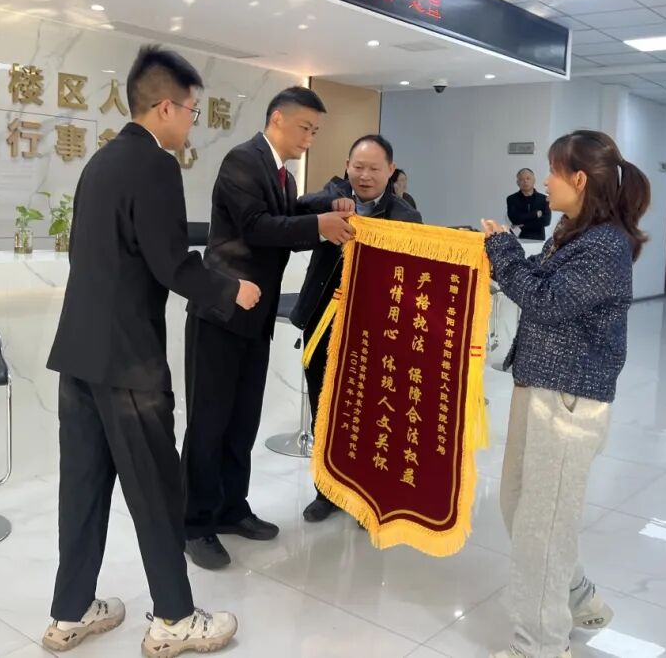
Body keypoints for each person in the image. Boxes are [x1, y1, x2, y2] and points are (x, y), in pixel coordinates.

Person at [43, 45, 258, 655]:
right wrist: (233, 291)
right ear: (165, 107)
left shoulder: (100, 161)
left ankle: (70, 612)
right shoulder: (157, 166)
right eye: (192, 111)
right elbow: (172, 264)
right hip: (129, 363)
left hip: (79, 355)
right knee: (158, 492)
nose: (192, 123)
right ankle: (174, 618)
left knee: (81, 491)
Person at [481, 130, 650, 658]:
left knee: (542, 527)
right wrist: (500, 256)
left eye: (553, 171)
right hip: (538, 386)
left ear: (578, 179)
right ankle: (578, 599)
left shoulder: (605, 246)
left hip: (568, 401)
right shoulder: (573, 231)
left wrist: (503, 251)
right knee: (518, 505)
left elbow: (547, 301)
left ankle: (540, 645)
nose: (545, 180)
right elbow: (536, 280)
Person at [182, 86, 355, 570]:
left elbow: (286, 223)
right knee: (209, 423)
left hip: (255, 317)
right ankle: (194, 524)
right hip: (220, 313)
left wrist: (325, 216)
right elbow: (257, 226)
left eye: (315, 131)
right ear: (277, 118)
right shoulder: (243, 160)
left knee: (242, 421)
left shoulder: (282, 174)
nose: (310, 138)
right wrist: (318, 225)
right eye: (305, 128)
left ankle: (231, 509)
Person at [290, 134, 421, 523]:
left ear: (390, 171)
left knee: (371, 411)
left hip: (376, 330)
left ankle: (366, 496)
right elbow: (299, 207)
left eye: (374, 168)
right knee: (324, 406)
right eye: (358, 167)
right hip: (324, 323)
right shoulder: (332, 196)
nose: (365, 176)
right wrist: (334, 201)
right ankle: (326, 491)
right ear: (347, 166)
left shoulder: (406, 216)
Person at [507, 168, 551, 241]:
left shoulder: (544, 199)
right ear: (518, 183)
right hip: (518, 240)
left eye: (528, 178)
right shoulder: (511, 199)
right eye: (521, 179)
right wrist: (535, 214)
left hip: (538, 239)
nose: (525, 181)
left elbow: (546, 221)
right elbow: (514, 219)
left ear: (534, 180)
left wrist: (522, 225)